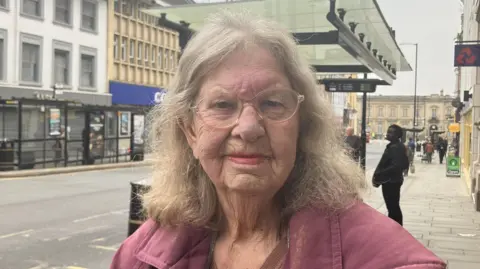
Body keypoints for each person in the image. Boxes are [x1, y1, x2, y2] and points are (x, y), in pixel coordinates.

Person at [110, 11, 445, 269]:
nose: (248, 127)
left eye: (272, 103)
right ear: (190, 130)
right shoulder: (139, 255)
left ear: (301, 125)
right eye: (223, 105)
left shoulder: (386, 259)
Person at [373, 124, 409, 226]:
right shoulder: (397, 146)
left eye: (390, 132)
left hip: (390, 181)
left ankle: (395, 228)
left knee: (392, 207)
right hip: (393, 180)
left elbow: (397, 166)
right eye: (388, 131)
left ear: (397, 135)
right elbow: (404, 164)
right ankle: (395, 227)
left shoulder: (395, 147)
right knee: (393, 206)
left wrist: (381, 173)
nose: (387, 134)